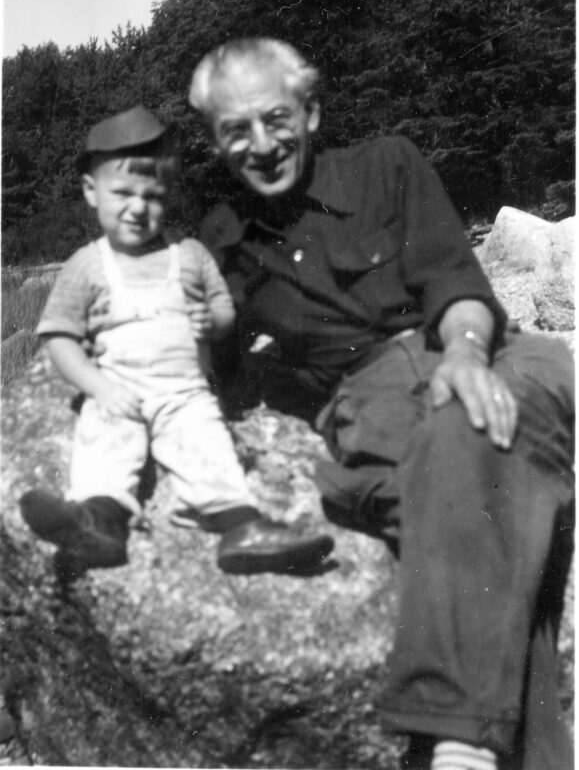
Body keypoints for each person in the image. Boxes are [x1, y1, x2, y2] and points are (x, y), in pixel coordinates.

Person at [188, 38, 574, 770]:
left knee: (494, 406)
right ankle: (478, 748)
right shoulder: (221, 240)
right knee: (477, 476)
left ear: (311, 112)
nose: (262, 145)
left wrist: (462, 354)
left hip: (489, 350)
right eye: (236, 131)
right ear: (215, 140)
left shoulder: (387, 164)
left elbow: (455, 279)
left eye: (276, 119)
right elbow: (220, 374)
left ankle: (454, 739)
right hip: (371, 400)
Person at [19, 105, 334, 581]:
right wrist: (97, 387)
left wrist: (212, 319)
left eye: (153, 194)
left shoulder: (189, 256)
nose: (137, 207)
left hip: (185, 389)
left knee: (206, 443)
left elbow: (225, 313)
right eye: (122, 192)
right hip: (117, 385)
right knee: (104, 441)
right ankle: (98, 523)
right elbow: (61, 339)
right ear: (91, 191)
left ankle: (241, 528)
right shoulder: (86, 265)